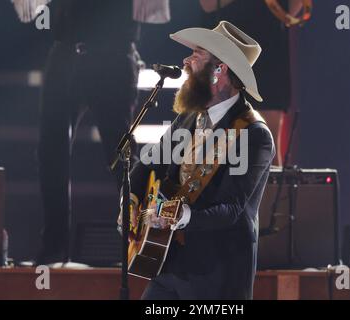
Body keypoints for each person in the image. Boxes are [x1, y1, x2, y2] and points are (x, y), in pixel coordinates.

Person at [118, 21, 275, 299]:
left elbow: (233, 209)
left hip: (216, 272)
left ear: (219, 70)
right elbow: (149, 162)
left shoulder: (254, 134)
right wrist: (130, 201)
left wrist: (184, 216)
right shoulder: (189, 117)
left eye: (197, 55)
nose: (186, 61)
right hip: (168, 261)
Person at [13, 0, 170, 264]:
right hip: (65, 53)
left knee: (121, 154)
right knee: (51, 152)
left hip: (113, 57)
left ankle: (140, 245)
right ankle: (54, 246)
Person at [199, 0, 304, 166]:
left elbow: (291, 10)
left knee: (268, 143)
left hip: (269, 52)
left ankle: (272, 190)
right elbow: (208, 4)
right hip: (231, 51)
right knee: (223, 144)